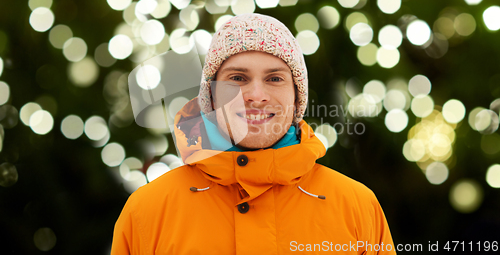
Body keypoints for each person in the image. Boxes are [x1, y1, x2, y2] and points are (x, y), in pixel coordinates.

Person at [111, 13, 396, 254]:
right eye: (237, 78)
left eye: (274, 78)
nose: (256, 96)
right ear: (210, 95)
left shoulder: (356, 207)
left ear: (297, 98)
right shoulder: (148, 212)